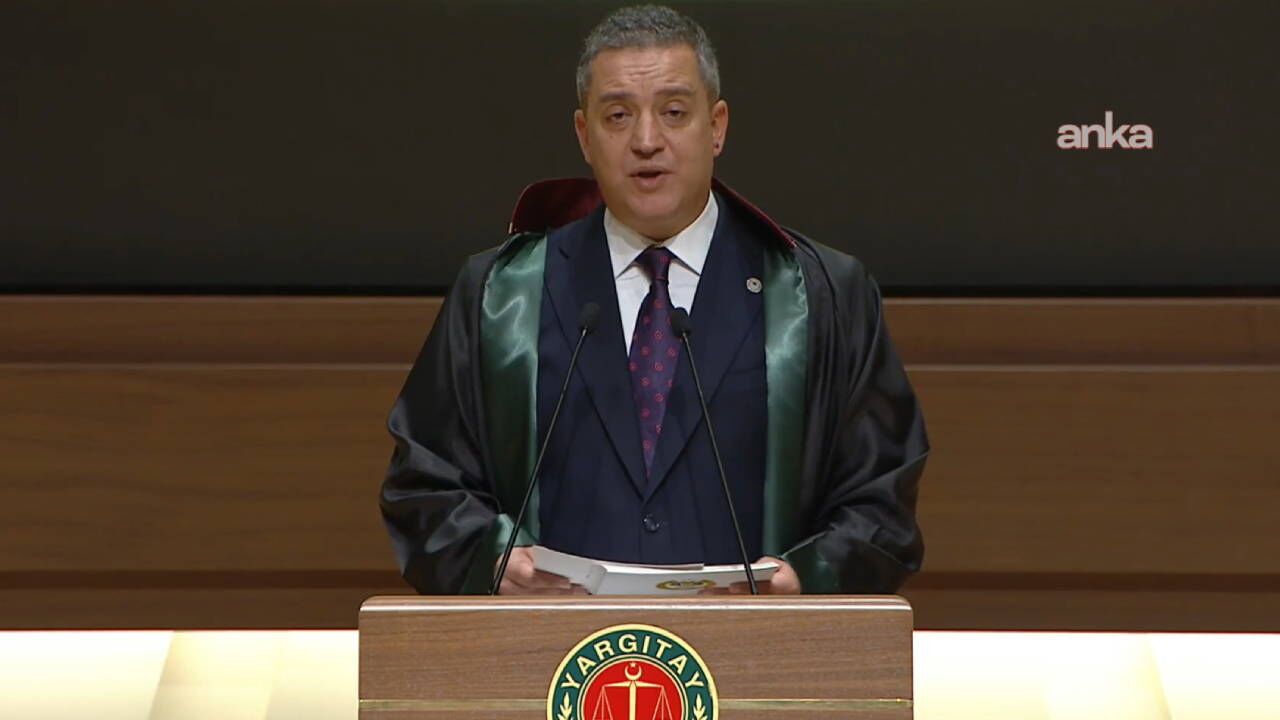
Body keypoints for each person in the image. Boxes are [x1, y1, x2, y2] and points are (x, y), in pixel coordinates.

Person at [380, 4, 928, 596]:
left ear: (716, 127)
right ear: (584, 136)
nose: (646, 141)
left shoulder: (820, 295)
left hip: (753, 644)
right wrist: (492, 559)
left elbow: (880, 499)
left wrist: (804, 578)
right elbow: (425, 485)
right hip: (553, 646)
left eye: (674, 112)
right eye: (618, 116)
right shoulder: (502, 294)